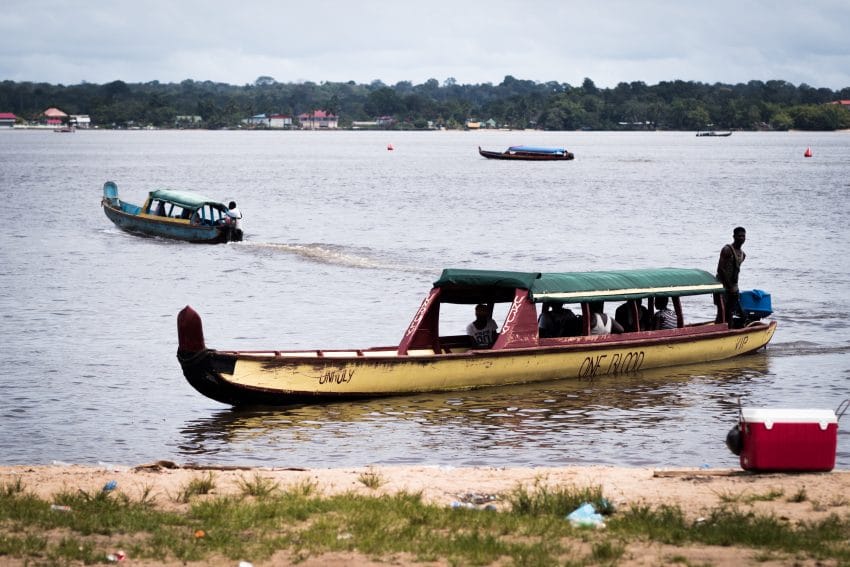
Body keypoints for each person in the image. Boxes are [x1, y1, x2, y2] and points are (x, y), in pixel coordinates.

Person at [715, 226, 746, 326]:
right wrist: (729, 287)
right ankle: (718, 331)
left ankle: (730, 330)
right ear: (734, 236)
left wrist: (734, 288)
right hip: (722, 286)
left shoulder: (742, 255)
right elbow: (720, 269)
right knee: (722, 312)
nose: (741, 238)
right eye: (739, 236)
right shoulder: (727, 250)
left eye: (743, 236)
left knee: (731, 312)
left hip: (733, 286)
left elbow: (736, 272)